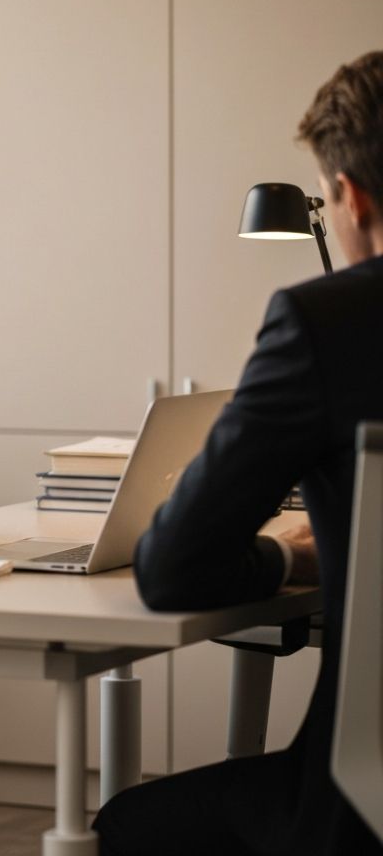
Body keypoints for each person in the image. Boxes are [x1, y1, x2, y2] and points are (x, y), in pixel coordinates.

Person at [94, 50, 383, 854]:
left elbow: (174, 567)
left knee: (128, 825)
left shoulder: (329, 322)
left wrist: (292, 559)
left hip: (361, 797)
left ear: (349, 198)